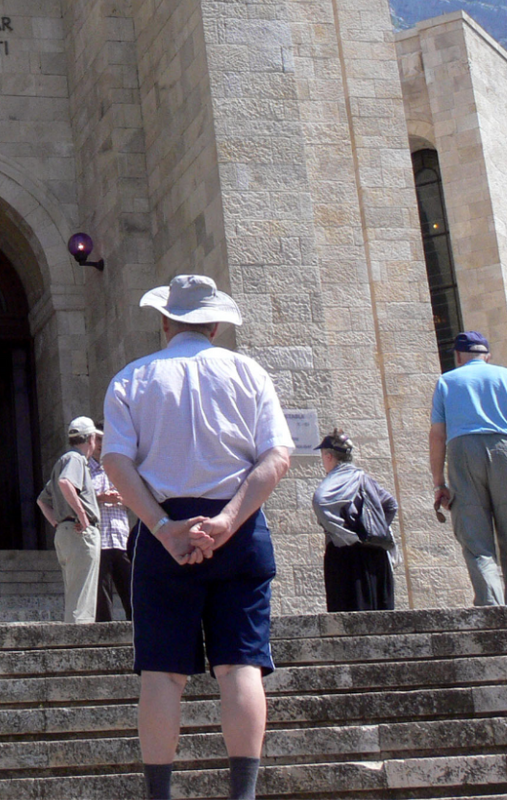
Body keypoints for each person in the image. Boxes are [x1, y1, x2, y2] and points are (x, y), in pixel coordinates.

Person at [101, 275, 293, 801]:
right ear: (214, 323)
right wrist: (228, 521)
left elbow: (115, 460)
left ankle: (160, 795)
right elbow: (276, 457)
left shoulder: (131, 379)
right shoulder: (249, 373)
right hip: (241, 526)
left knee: (161, 674)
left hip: (164, 530)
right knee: (241, 664)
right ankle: (244, 794)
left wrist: (163, 528)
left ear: (165, 320)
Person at [429, 330, 507, 606]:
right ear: (487, 356)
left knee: (476, 541)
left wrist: (439, 483)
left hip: (462, 453)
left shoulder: (446, 381)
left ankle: (491, 609)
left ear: (458, 356)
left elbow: (436, 434)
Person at [311, 431, 398, 612]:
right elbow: (390, 504)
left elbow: (320, 500)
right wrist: (376, 531)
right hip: (376, 552)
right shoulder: (363, 478)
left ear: (328, 456)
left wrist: (345, 534)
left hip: (346, 557)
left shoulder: (334, 480)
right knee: (381, 616)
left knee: (349, 619)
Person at [36, 417, 102, 623]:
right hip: (79, 531)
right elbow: (66, 483)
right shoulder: (75, 459)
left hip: (65, 530)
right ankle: (81, 641)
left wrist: (57, 523)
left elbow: (42, 500)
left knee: (75, 592)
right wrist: (83, 517)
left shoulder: (63, 461)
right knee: (83, 595)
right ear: (90, 438)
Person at [91, 455, 133, 622]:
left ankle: (137, 628)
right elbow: (77, 499)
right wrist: (101, 498)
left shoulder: (121, 470)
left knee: (130, 587)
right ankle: (104, 629)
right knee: (102, 590)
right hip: (99, 538)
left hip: (121, 537)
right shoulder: (85, 470)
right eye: (98, 439)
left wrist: (121, 499)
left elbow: (138, 499)